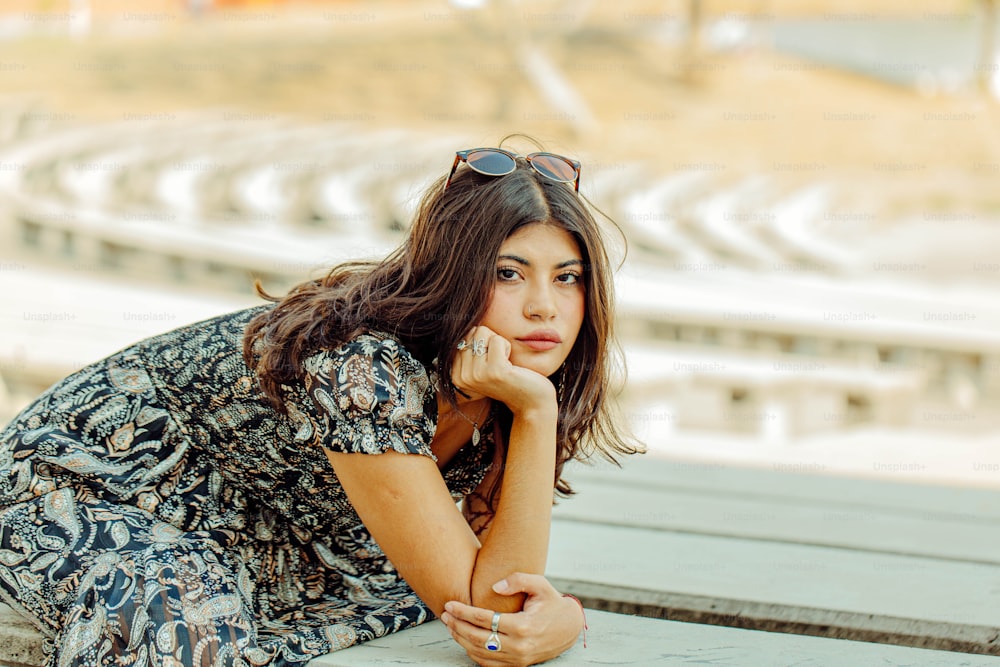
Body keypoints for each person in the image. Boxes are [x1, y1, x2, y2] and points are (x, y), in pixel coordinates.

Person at [0, 140, 641, 667]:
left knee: (400, 596)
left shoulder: (508, 383)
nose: (544, 306)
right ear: (453, 273)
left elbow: (493, 597)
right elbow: (490, 608)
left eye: (568, 277)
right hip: (79, 489)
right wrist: (535, 412)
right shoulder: (361, 363)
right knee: (177, 611)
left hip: (258, 528)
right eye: (508, 272)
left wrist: (564, 616)